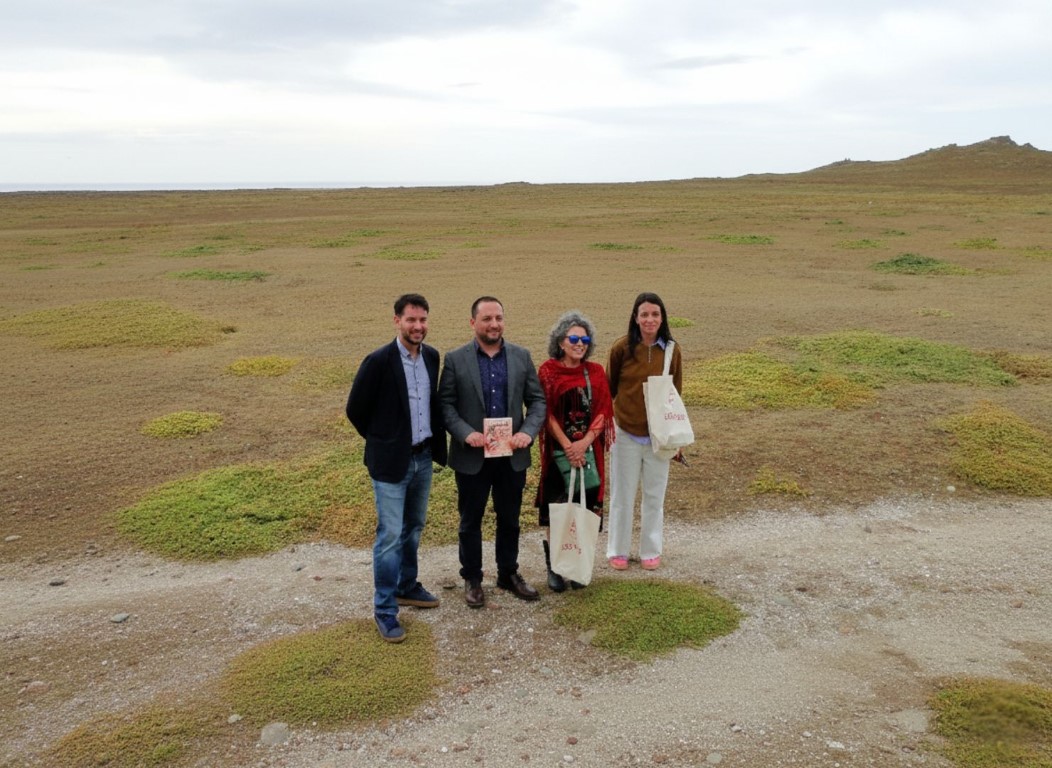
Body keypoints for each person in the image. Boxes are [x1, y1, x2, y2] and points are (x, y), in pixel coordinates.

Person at [346, 294, 448, 643]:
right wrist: (385, 440)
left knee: (414, 526)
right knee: (389, 535)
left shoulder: (432, 357)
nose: (417, 326)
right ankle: (385, 609)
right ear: (396, 321)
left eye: (422, 320)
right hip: (391, 462)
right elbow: (356, 410)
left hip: (422, 458)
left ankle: (407, 586)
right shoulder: (378, 361)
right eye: (410, 320)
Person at [439, 296, 546, 607]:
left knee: (510, 518)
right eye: (486, 319)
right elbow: (445, 404)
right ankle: (472, 577)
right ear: (473, 323)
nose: (494, 324)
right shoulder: (456, 359)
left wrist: (526, 433)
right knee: (470, 519)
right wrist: (464, 433)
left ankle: (508, 573)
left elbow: (537, 401)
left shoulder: (521, 357)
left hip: (511, 456)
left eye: (498, 318)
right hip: (472, 456)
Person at [535, 311, 615, 592]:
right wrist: (569, 446)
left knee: (584, 507)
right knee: (557, 509)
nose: (580, 343)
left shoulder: (595, 372)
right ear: (561, 342)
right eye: (574, 338)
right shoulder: (547, 370)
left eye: (584, 339)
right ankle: (555, 568)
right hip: (559, 453)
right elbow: (545, 412)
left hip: (589, 453)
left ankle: (578, 564)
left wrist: (584, 443)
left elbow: (604, 411)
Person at [605, 292, 683, 571]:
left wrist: (676, 435)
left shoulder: (671, 350)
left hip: (658, 437)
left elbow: (675, 394)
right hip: (624, 433)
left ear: (662, 318)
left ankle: (650, 549)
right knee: (622, 496)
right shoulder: (622, 348)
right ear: (636, 318)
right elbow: (609, 389)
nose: (650, 320)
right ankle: (618, 550)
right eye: (644, 314)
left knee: (654, 496)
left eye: (655, 314)